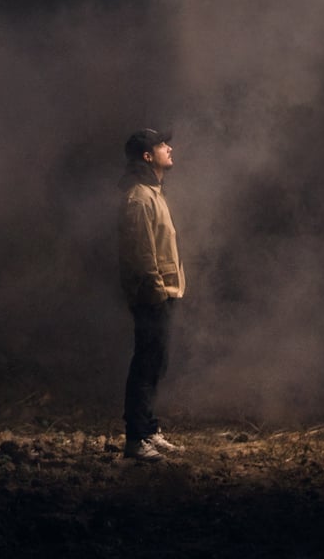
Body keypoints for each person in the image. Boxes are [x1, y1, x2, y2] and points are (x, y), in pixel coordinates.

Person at [117, 128, 186, 461]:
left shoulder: (153, 194)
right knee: (146, 365)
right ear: (147, 157)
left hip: (163, 294)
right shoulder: (140, 199)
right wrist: (157, 294)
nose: (168, 148)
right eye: (161, 145)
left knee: (156, 363)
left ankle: (148, 429)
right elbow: (141, 256)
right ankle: (136, 439)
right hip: (151, 297)